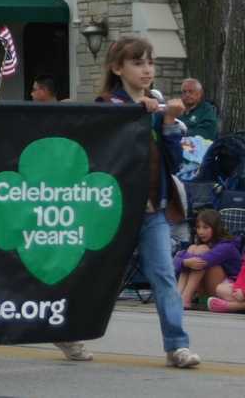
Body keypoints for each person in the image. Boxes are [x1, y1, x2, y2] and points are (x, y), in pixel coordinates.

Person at [95, 34, 200, 368]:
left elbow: (176, 162)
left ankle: (176, 345)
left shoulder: (157, 107)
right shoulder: (107, 105)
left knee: (164, 276)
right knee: (96, 276)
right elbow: (112, 145)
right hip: (115, 211)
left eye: (150, 62)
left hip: (153, 209)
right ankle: (70, 331)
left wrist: (168, 122)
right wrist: (139, 111)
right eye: (137, 63)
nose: (146, 70)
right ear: (117, 68)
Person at [174, 209, 241, 309]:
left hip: (228, 289)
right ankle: (177, 296)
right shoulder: (202, 243)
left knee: (200, 252)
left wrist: (184, 261)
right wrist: (184, 262)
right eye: (198, 227)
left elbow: (203, 261)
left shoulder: (227, 246)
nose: (201, 232)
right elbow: (175, 260)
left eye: (206, 228)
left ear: (216, 228)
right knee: (192, 249)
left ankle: (185, 298)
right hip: (208, 287)